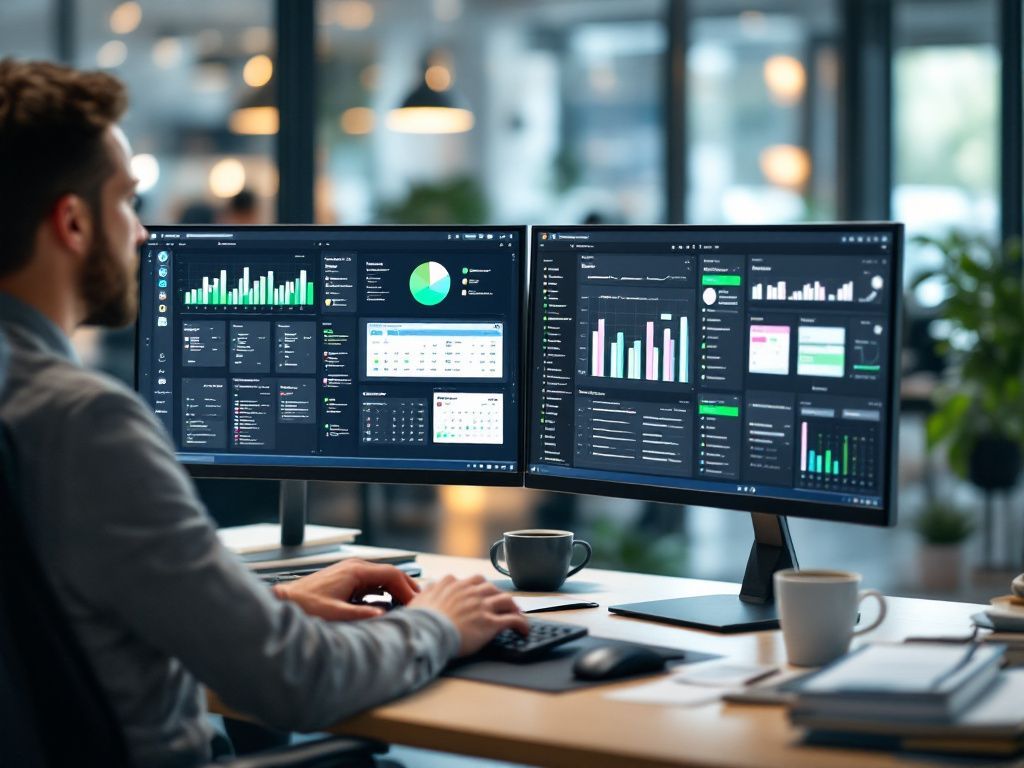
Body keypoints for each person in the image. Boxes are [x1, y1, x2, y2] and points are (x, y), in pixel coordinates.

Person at [0, 59, 528, 768]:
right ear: (71, 221)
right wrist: (438, 621)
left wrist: (263, 603)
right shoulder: (84, 422)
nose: (144, 235)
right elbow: (295, 682)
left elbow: (71, 602)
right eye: (127, 202)